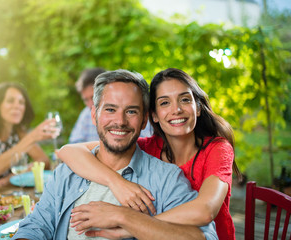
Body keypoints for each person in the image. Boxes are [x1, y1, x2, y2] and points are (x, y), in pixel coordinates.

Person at [13, 69, 217, 240]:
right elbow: (35, 226)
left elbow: (203, 237)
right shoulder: (67, 173)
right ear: (94, 115)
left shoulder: (166, 178)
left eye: (131, 111)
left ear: (145, 120)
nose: (120, 121)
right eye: (110, 109)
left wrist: (124, 217)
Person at [58, 68, 241, 240]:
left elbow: (206, 210)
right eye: (165, 103)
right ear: (153, 115)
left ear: (198, 108)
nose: (176, 109)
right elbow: (69, 151)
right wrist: (116, 182)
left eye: (185, 100)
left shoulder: (217, 149)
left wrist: (127, 222)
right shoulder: (148, 147)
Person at [0, 82, 55, 189]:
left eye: (21, 102)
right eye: (10, 101)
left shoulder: (19, 132)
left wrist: (12, 176)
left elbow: (44, 161)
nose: (17, 106)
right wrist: (32, 137)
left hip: (12, 192)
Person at [69, 67, 153, 143]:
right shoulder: (86, 114)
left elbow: (147, 143)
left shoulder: (139, 112)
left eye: (92, 97)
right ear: (94, 115)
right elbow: (74, 144)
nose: (90, 104)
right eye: (86, 100)